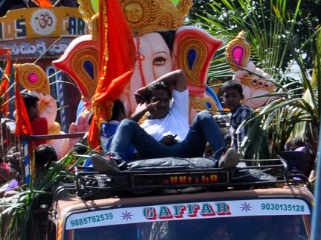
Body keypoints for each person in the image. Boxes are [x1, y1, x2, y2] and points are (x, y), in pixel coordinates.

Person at [93, 71, 238, 169]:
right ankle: (113, 161)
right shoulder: (144, 126)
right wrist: (159, 142)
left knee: (204, 115)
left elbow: (179, 74)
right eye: (157, 100)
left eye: (165, 100)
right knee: (126, 123)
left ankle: (223, 157)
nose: (162, 104)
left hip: (185, 148)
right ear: (149, 103)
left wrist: (147, 88)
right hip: (157, 152)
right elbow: (136, 155)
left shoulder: (177, 111)